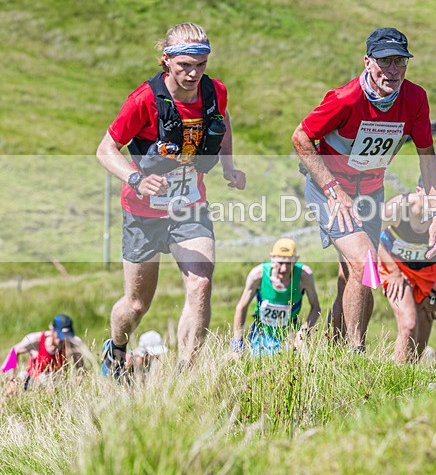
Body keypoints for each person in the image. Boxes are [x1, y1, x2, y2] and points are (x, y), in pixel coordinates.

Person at [96, 22, 246, 375]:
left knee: (201, 283)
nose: (194, 74)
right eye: (185, 66)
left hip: (189, 206)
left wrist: (228, 165)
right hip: (143, 213)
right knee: (136, 305)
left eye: (201, 64)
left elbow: (222, 118)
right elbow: (105, 150)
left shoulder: (214, 91)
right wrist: (136, 179)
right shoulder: (144, 100)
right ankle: (116, 349)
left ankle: (184, 375)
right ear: (166, 59)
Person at [291, 27, 436, 352]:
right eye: (385, 61)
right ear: (367, 62)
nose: (393, 70)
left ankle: (334, 350)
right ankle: (356, 354)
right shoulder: (345, 99)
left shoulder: (415, 99)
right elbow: (300, 137)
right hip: (331, 192)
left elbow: (427, 157)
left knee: (352, 275)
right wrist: (334, 191)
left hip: (371, 195)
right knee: (365, 264)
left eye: (400, 61)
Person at [378, 183, 436, 362]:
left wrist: (434, 294)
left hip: (427, 271)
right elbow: (372, 236)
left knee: (420, 339)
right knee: (409, 324)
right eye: (432, 197)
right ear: (418, 191)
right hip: (396, 266)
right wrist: (393, 271)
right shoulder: (399, 207)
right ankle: (397, 373)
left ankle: (408, 373)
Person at [231, 238, 321, 357]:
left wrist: (303, 333)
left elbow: (316, 308)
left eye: (289, 263)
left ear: (296, 260)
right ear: (272, 258)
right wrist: (237, 342)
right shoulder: (258, 275)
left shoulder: (304, 276)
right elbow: (241, 307)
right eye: (280, 263)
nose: (284, 269)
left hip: (290, 333)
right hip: (261, 333)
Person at [5, 315, 86, 392]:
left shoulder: (73, 342)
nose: (61, 341)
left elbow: (80, 369)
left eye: (65, 337)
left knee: (51, 378)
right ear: (52, 329)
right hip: (33, 381)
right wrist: (11, 381)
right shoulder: (35, 339)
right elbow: (14, 351)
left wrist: (78, 382)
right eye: (59, 336)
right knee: (23, 377)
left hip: (56, 382)